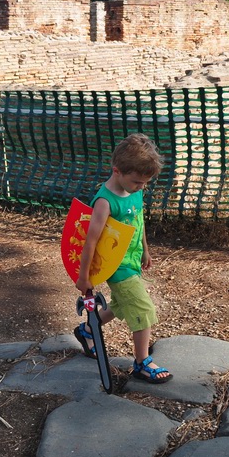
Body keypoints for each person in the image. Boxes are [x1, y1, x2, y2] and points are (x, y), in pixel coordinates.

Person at [74, 133, 172, 383]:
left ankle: (87, 330)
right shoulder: (105, 202)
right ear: (117, 171)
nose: (141, 187)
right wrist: (83, 277)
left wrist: (145, 249)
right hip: (116, 266)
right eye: (137, 182)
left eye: (144, 183)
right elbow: (90, 241)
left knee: (120, 304)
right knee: (143, 308)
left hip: (132, 259)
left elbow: (138, 221)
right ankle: (142, 362)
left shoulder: (134, 190)